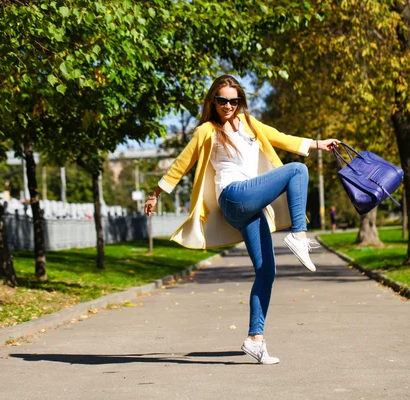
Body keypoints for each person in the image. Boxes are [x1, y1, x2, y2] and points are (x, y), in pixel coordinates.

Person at [145, 75, 340, 365]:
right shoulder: (206, 131)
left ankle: (255, 340)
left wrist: (317, 143)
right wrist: (155, 193)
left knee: (266, 271)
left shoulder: (249, 124)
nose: (228, 106)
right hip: (233, 196)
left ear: (240, 101)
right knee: (298, 171)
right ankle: (299, 235)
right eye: (222, 100)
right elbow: (181, 163)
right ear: (213, 101)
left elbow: (279, 137)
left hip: (250, 205)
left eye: (233, 100)